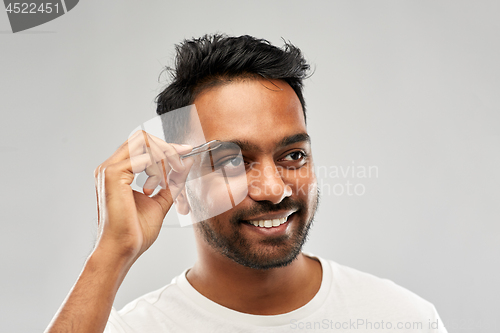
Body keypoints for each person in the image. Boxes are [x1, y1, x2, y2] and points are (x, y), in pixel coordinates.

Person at [45, 34, 448, 332]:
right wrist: (111, 254)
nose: (274, 190)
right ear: (180, 188)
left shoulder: (403, 319)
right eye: (230, 162)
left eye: (293, 156)